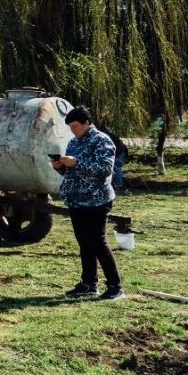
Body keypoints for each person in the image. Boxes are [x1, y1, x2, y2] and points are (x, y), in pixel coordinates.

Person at [55, 107, 124, 301]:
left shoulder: (102, 140)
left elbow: (104, 170)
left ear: (86, 123)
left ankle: (114, 286)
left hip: (96, 200)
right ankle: (88, 283)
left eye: (75, 126)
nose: (73, 130)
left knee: (98, 242)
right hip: (76, 200)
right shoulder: (73, 142)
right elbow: (72, 173)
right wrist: (61, 167)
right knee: (84, 243)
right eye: (70, 127)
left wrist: (76, 162)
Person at [99, 127, 129, 191]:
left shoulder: (106, 137)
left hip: (119, 153)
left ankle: (118, 185)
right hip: (119, 152)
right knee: (112, 168)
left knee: (116, 168)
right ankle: (114, 184)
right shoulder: (108, 136)